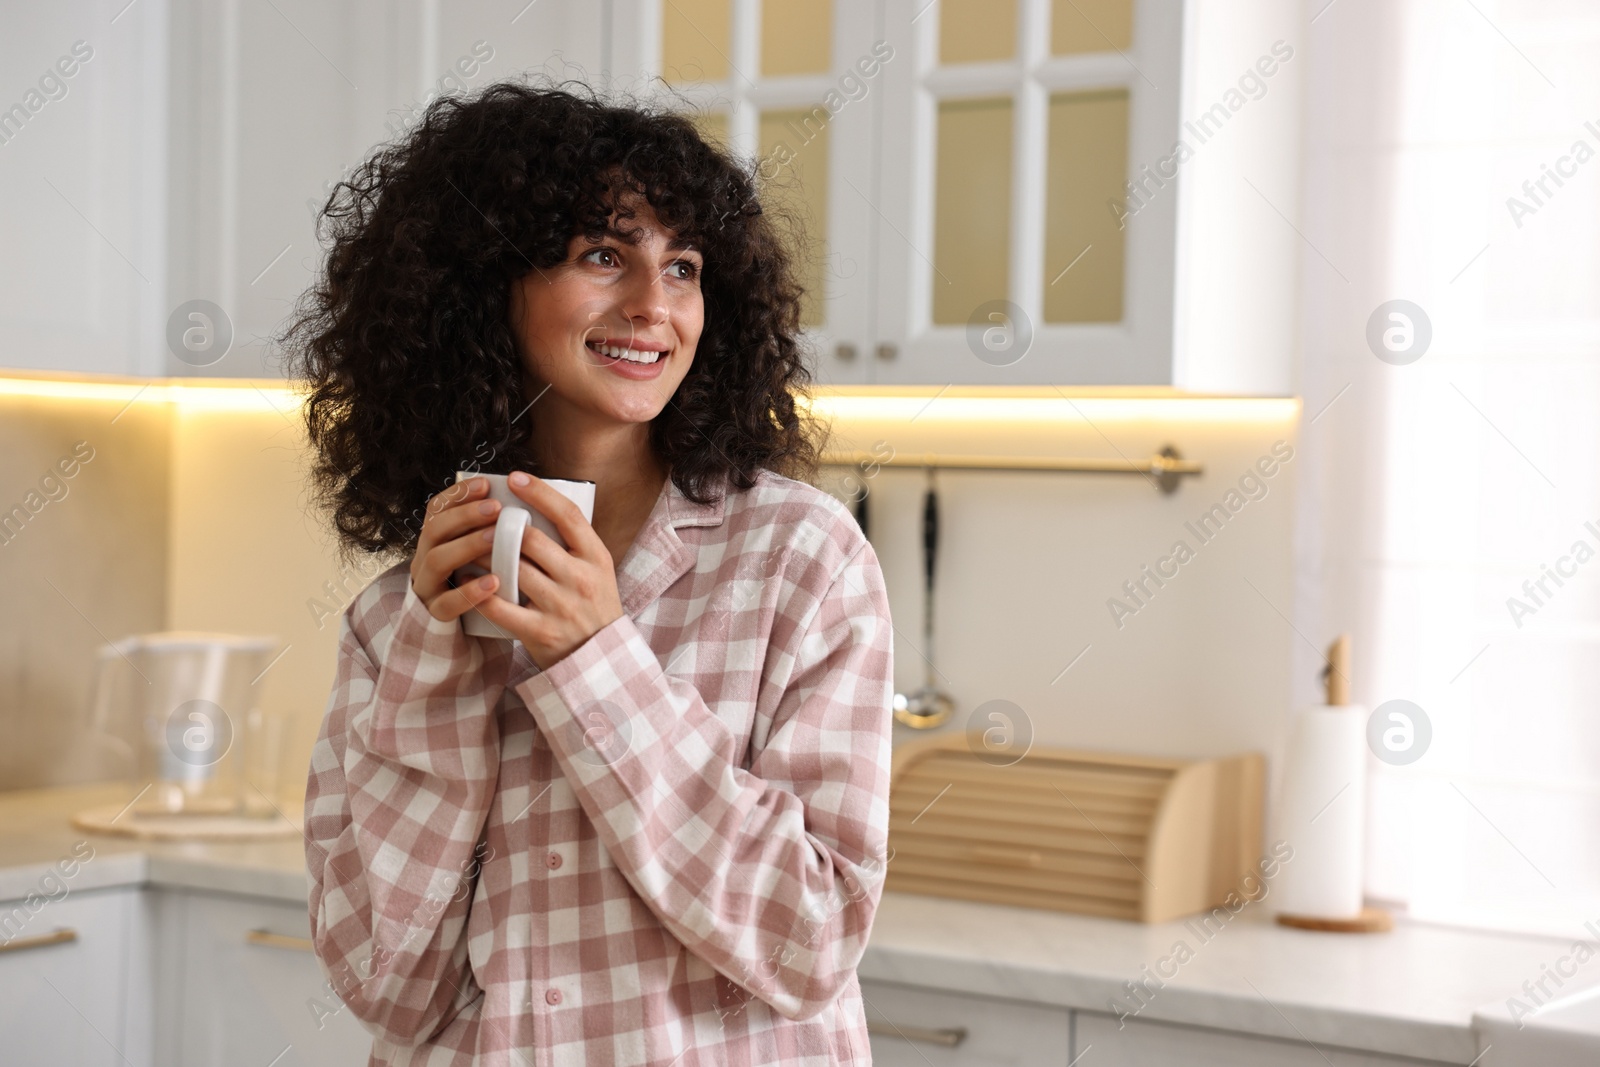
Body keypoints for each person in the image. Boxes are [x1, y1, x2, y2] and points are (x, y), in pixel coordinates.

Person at [281, 80, 895, 1066]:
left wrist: (596, 662)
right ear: (484, 286)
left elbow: (807, 936)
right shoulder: (395, 618)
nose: (654, 304)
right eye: (603, 255)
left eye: (683, 265)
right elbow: (388, 988)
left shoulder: (798, 561)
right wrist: (438, 674)